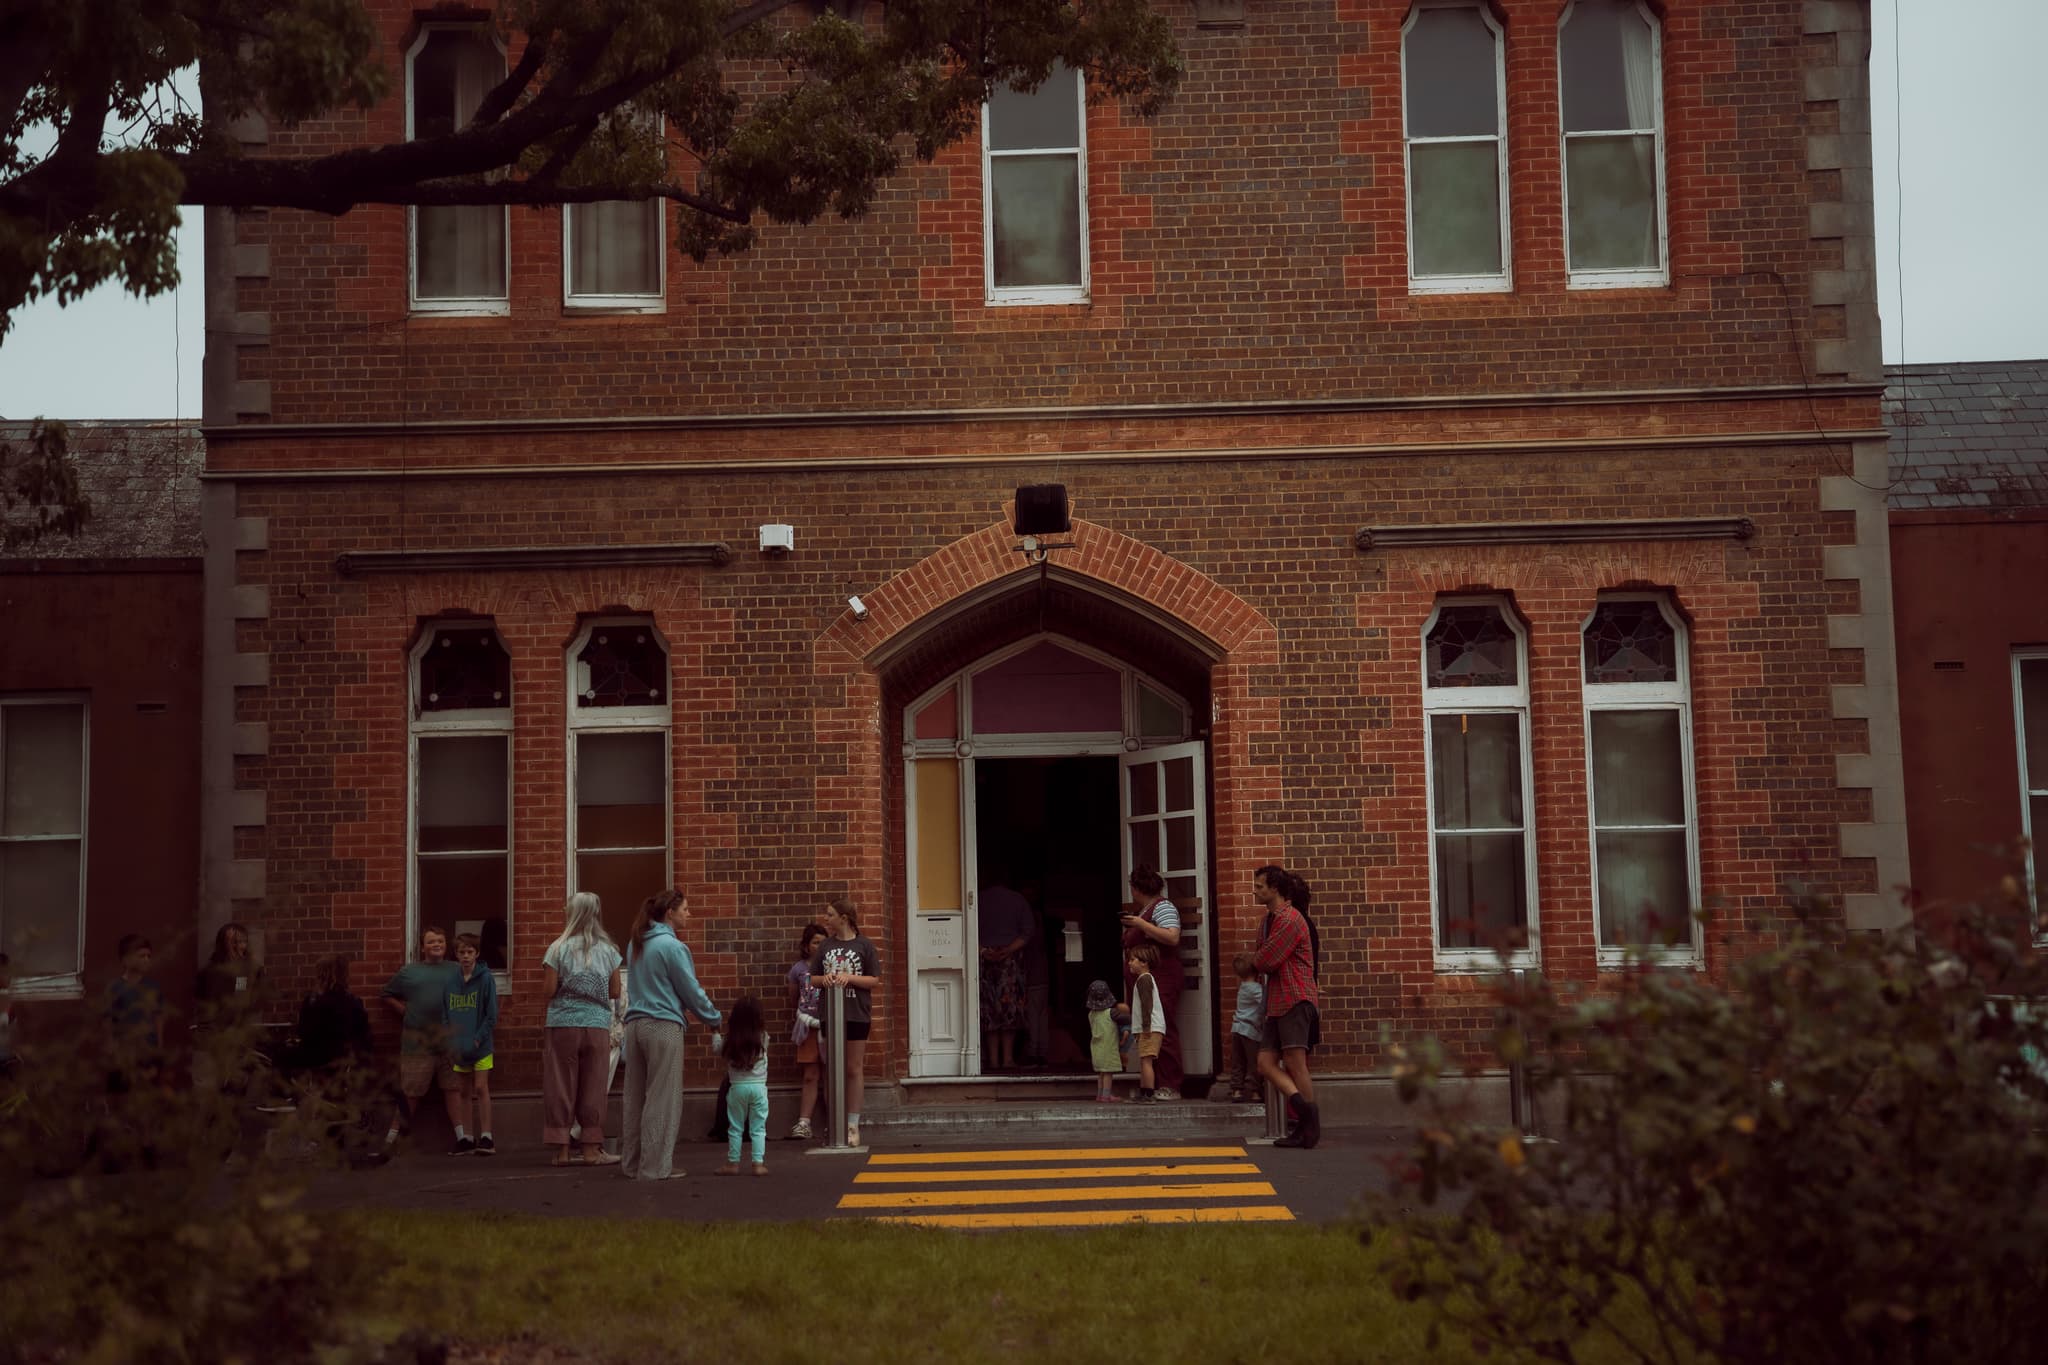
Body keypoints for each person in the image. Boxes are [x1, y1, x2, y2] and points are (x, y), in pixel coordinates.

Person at [620, 889, 721, 1181]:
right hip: (663, 1025)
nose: (689, 914)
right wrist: (713, 1018)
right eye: (685, 909)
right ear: (670, 913)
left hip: (635, 1026)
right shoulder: (673, 947)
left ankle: (632, 1164)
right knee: (663, 1099)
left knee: (635, 1099)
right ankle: (654, 1168)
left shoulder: (636, 942)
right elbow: (690, 991)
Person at [541, 891, 624, 1167]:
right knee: (594, 1086)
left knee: (561, 1085)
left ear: (573, 913)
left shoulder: (557, 948)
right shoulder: (610, 951)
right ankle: (591, 1149)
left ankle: (561, 1150)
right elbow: (615, 991)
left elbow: (549, 990)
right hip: (597, 1025)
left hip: (563, 1024)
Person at [1251, 866, 1321, 1148]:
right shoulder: (1269, 920)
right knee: (1265, 1063)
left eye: (1259, 886)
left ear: (1275, 890)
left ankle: (1307, 1124)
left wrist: (1254, 959)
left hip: (1295, 997)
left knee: (1295, 1062)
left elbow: (1266, 960)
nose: (1254, 891)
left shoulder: (1290, 919)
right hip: (1277, 1001)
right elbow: (1261, 957)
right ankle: (1306, 1114)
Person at [378, 925, 461, 1149]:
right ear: (423, 946)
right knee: (411, 1093)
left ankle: (463, 1138)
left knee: (453, 1089)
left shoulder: (456, 970)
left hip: (449, 1042)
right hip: (417, 1044)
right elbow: (386, 994)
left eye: (440, 942)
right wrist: (404, 1010)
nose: (437, 945)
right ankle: (392, 1139)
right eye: (432, 942)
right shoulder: (409, 972)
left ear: (446, 946)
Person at [809, 894, 879, 1147]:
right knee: (833, 1069)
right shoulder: (826, 946)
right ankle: (834, 1121)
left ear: (844, 918)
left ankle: (852, 1124)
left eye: (830, 915)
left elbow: (873, 980)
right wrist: (825, 980)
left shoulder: (864, 946)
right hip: (830, 1013)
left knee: (853, 1067)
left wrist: (848, 978)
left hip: (856, 1012)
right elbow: (812, 978)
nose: (826, 919)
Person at [1119, 864, 1183, 1098]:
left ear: (1136, 889)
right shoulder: (1146, 909)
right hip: (1145, 983)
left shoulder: (1162, 907)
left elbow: (1172, 936)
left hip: (1161, 979)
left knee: (1161, 1028)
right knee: (1147, 1030)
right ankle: (1152, 1084)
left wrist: (1140, 924)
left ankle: (1170, 1084)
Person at [445, 932, 498, 1155]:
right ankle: (466, 1137)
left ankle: (487, 1137)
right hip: (459, 1046)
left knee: (480, 1087)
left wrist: (478, 1037)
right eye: (461, 952)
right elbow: (445, 1013)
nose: (466, 956)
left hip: (481, 1045)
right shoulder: (451, 982)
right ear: (456, 954)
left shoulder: (486, 979)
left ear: (477, 953)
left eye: (469, 952)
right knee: (463, 1091)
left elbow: (492, 1014)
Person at [976, 871, 1033, 1071]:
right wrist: (1008, 950)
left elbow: (965, 928)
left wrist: (983, 951)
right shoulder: (1018, 900)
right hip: (1010, 963)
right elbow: (1027, 932)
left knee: (989, 1011)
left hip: (985, 961)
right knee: (1010, 1011)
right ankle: (1007, 1058)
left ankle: (992, 1059)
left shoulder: (978, 898)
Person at [716, 996, 770, 1176]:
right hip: (759, 1088)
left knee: (735, 1127)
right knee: (758, 1127)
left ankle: (733, 1163)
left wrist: (715, 1032)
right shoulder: (763, 1038)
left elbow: (717, 1048)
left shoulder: (729, 1040)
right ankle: (758, 1163)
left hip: (737, 1087)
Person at [105, 933, 166, 1087]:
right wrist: (112, 1050)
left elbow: (158, 1017)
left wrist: (159, 1047)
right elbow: (107, 1021)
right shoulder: (115, 988)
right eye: (141, 956)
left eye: (149, 956)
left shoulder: (153, 987)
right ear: (126, 959)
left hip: (148, 1053)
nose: (146, 959)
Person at [785, 922, 826, 1140]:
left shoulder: (832, 967)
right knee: (810, 1074)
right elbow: (794, 997)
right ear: (806, 945)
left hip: (829, 1027)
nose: (819, 946)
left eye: (822, 942)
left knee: (832, 1075)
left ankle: (835, 1121)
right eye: (815, 942)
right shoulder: (799, 969)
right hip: (808, 1025)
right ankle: (804, 1122)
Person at [1125, 944, 1169, 1101]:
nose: (1129, 963)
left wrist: (1145, 1026)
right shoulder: (1144, 979)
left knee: (1146, 1061)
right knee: (1144, 1060)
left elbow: (1146, 1004)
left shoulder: (1144, 980)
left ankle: (1148, 1093)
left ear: (1143, 962)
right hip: (1147, 1027)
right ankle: (1144, 1091)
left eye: (1132, 960)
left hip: (1149, 1027)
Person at [1225, 951, 1265, 1103]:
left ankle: (1236, 1090)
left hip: (1237, 1028)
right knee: (1254, 1062)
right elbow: (1265, 1003)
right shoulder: (1255, 989)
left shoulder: (1243, 986)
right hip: (1251, 1031)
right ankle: (1255, 1092)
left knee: (1238, 1062)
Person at [1085, 978, 1123, 1102]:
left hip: (1096, 1048)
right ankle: (1106, 1095)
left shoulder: (1091, 1014)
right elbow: (1125, 1019)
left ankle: (1100, 1094)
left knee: (1101, 1073)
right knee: (1108, 1073)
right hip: (1108, 1047)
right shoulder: (1111, 1013)